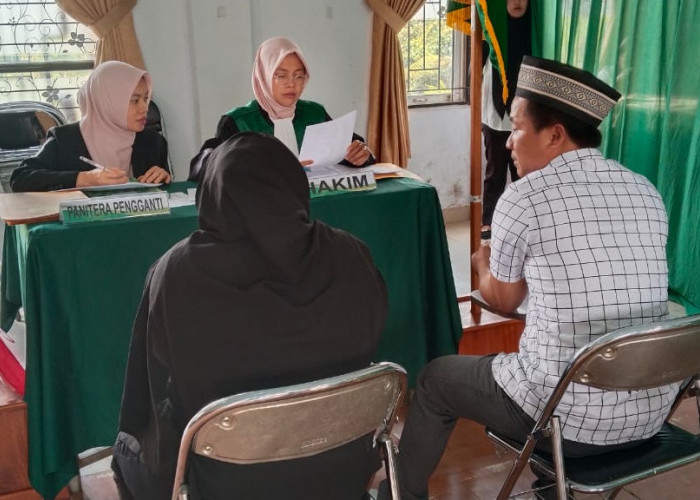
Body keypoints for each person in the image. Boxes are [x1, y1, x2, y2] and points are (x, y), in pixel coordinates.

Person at [385, 56, 677, 500]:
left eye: (517, 128)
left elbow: (502, 300)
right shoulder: (645, 189)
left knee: (435, 379)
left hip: (566, 422)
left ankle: (396, 496)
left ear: (555, 135)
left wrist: (482, 265)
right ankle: (549, 484)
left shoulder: (524, 197)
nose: (508, 143)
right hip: (650, 414)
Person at [112, 132, 388, 499]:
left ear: (212, 192)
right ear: (293, 185)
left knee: (126, 448)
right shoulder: (353, 253)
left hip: (226, 480)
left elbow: (149, 386)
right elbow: (374, 331)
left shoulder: (176, 271)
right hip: (340, 467)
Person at [189, 36, 374, 181]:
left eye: (298, 76)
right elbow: (203, 168)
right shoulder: (238, 121)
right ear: (263, 76)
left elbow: (351, 150)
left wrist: (361, 155)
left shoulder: (314, 113)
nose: (291, 84)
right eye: (281, 76)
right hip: (259, 214)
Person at [10, 61, 171, 192]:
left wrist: (163, 178)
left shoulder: (153, 142)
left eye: (146, 98)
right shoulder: (66, 140)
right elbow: (20, 179)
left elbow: (164, 196)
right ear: (107, 101)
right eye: (134, 100)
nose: (144, 108)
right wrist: (83, 179)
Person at [480, 0, 531, 240]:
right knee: (495, 172)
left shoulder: (535, 33)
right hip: (494, 115)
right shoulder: (491, 31)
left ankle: (524, 222)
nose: (518, 2)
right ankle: (488, 221)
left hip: (526, 116)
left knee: (524, 172)